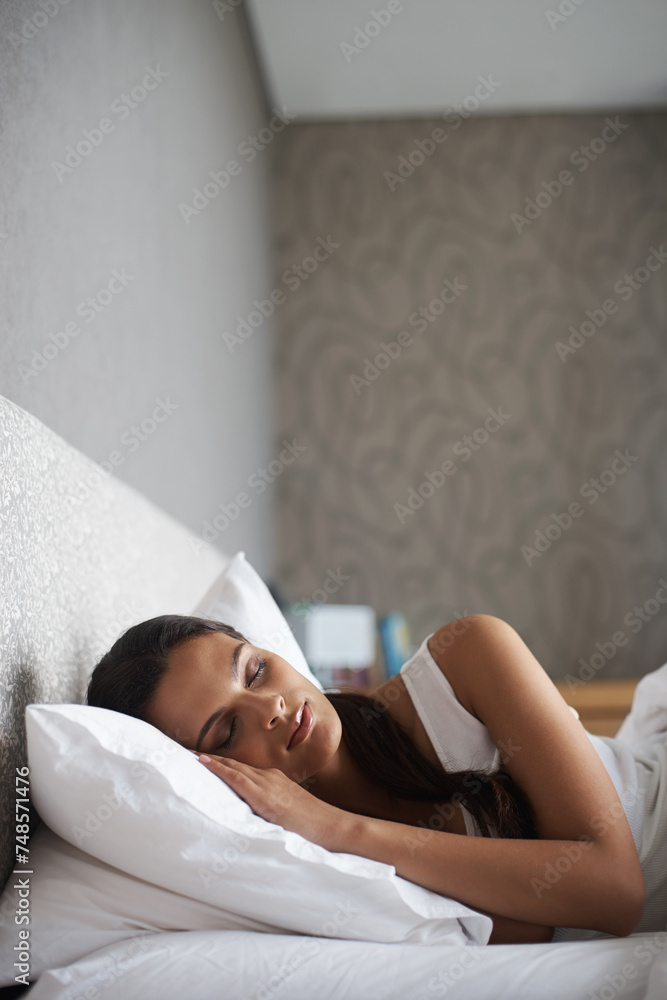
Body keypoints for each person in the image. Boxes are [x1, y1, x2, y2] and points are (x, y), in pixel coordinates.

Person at [86, 612, 666, 946]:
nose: (271, 708)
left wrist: (343, 828)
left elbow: (615, 890)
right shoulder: (299, 866)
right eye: (226, 733)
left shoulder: (466, 657)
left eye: (256, 669)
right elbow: (527, 932)